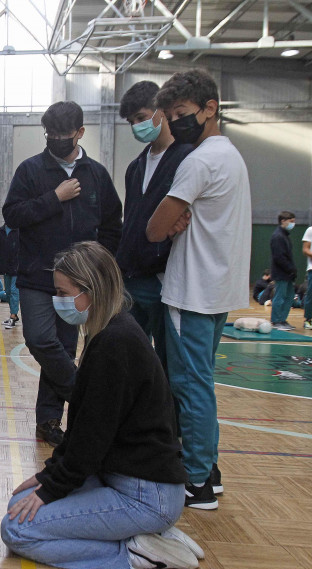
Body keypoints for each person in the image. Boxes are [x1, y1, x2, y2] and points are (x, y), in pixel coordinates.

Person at [0, 241, 200, 569]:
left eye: (64, 292)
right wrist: (48, 476)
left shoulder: (114, 343)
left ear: (89, 291)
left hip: (146, 495)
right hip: (123, 478)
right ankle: (149, 535)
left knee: (17, 529)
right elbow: (83, 430)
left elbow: (91, 440)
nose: (59, 300)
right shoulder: (108, 332)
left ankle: (136, 550)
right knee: (18, 508)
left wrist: (52, 487)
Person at [147, 68, 252, 510]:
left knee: (190, 386)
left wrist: (169, 222)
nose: (177, 124)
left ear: (211, 108)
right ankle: (208, 468)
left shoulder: (200, 160)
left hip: (192, 290)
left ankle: (196, 481)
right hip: (217, 288)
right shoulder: (231, 156)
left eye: (183, 114)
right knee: (198, 382)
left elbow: (154, 229)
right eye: (171, 117)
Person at [2, 100, 122, 447]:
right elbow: (13, 214)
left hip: (79, 282)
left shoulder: (96, 174)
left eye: (62, 135)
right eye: (49, 134)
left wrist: (101, 265)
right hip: (37, 277)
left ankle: (49, 420)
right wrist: (54, 198)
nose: (54, 140)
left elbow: (113, 224)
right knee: (40, 339)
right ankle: (83, 393)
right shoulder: (31, 171)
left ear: (80, 133)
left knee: (64, 350)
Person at [117, 81, 194, 367]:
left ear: (162, 111)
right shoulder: (135, 167)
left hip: (165, 278)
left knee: (167, 361)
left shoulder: (187, 158)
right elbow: (132, 220)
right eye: (131, 122)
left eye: (141, 117)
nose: (137, 126)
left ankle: (165, 412)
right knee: (128, 358)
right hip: (131, 278)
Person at [270, 211, 298, 331]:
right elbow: (279, 257)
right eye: (291, 221)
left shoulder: (285, 235)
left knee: (289, 297)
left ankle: (282, 319)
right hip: (281, 272)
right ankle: (276, 320)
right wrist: (289, 268)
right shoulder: (278, 236)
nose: (293, 224)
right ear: (283, 221)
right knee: (280, 297)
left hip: (287, 273)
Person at [0, 224, 20, 329]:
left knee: (14, 290)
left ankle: (13, 316)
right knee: (8, 292)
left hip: (17, 266)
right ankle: (14, 315)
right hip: (5, 267)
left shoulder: (19, 230)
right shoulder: (0, 231)